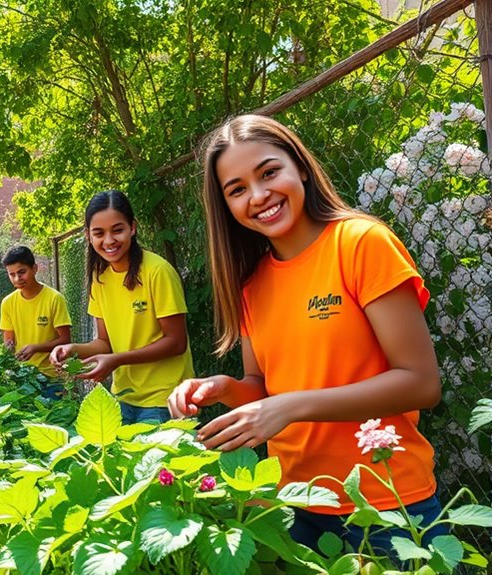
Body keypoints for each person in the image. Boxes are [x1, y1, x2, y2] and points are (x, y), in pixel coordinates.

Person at [167, 114, 444, 553]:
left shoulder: (361, 243)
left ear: (299, 166)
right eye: (237, 189)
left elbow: (421, 382)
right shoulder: (251, 284)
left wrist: (289, 407)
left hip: (385, 507)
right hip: (293, 503)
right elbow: (263, 390)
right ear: (226, 207)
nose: (258, 196)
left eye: (269, 172)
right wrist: (225, 389)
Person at [50, 190, 195, 424]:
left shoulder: (158, 271)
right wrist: (71, 349)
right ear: (88, 235)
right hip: (123, 397)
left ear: (133, 228)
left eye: (117, 230)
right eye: (99, 233)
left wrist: (117, 360)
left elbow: (177, 342)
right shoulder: (100, 279)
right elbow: (105, 343)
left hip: (166, 399)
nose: (109, 241)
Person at [0, 245, 72, 394]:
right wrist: (8, 350)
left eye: (22, 272)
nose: (17, 279)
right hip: (22, 377)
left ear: (34, 269)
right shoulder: (7, 303)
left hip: (52, 377)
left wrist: (36, 347)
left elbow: (65, 340)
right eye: (11, 274)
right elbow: (8, 341)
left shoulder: (54, 298)